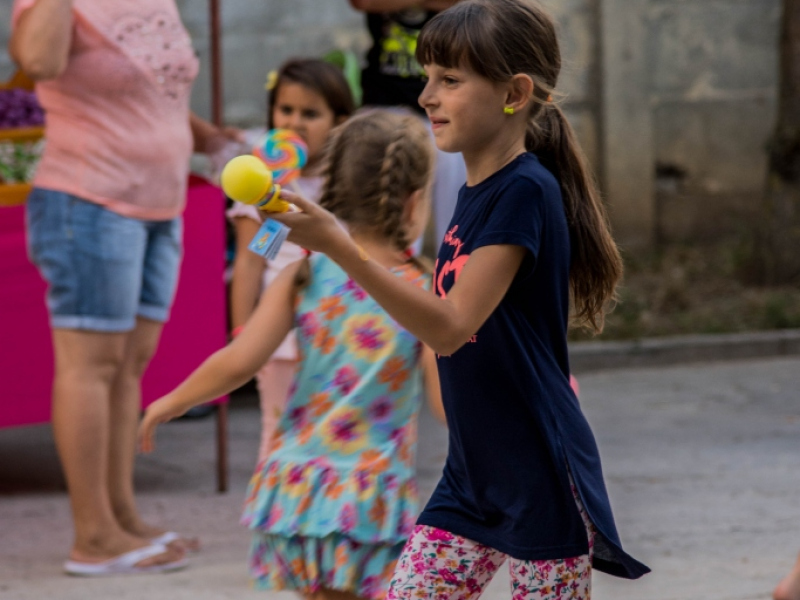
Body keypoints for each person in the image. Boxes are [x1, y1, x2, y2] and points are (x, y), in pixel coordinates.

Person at [271, 0, 651, 597]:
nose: (426, 97)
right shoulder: (477, 190)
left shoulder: (524, 189)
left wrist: (341, 248)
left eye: (449, 80)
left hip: (541, 480)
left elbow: (450, 327)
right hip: (472, 476)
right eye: (428, 78)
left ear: (514, 92)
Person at [139, 109, 445, 600]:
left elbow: (240, 360)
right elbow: (447, 405)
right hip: (368, 494)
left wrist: (170, 401)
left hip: (295, 487)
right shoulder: (423, 294)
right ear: (414, 202)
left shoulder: (305, 274)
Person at [10, 0, 239, 575]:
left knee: (127, 366)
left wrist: (212, 139)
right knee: (92, 366)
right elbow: (37, 59)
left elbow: (156, 88)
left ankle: (122, 518)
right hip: (87, 201)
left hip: (160, 203)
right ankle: (93, 538)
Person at [228, 58, 355, 463]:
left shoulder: (351, 182)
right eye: (286, 111)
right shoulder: (263, 188)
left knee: (338, 432)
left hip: (341, 329)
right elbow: (252, 262)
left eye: (310, 114)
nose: (295, 122)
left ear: (339, 122)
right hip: (279, 334)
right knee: (279, 431)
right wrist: (242, 331)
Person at [349, 0, 466, 246]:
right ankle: (397, 270)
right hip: (384, 103)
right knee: (393, 200)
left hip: (444, 105)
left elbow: (479, 6)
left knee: (455, 180)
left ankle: (453, 270)